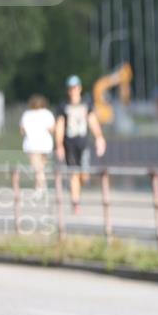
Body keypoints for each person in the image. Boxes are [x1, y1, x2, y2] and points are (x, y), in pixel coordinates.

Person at [55, 75, 106, 214]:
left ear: (80, 88)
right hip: (69, 144)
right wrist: (59, 145)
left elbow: (92, 121)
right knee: (73, 174)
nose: (73, 91)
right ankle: (75, 203)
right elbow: (59, 125)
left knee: (84, 175)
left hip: (83, 143)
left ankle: (76, 188)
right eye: (71, 88)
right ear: (68, 90)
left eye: (76, 88)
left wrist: (99, 138)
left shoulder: (86, 104)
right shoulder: (63, 106)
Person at [19, 94, 55, 192]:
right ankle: (40, 187)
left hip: (32, 144)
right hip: (45, 144)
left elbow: (22, 131)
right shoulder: (47, 114)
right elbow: (52, 129)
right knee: (41, 167)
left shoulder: (27, 114)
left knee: (37, 169)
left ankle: (41, 188)